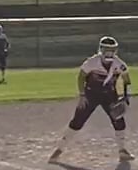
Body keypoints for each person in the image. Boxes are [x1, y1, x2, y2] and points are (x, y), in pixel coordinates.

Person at [50, 35, 133, 163]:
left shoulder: (119, 64)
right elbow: (81, 77)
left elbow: (126, 79)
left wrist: (126, 96)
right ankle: (59, 150)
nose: (109, 53)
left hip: (110, 95)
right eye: (107, 50)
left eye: (112, 50)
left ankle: (122, 150)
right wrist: (82, 95)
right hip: (90, 95)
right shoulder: (92, 62)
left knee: (119, 121)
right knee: (77, 121)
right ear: (101, 49)